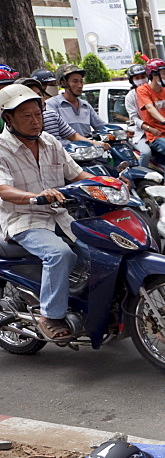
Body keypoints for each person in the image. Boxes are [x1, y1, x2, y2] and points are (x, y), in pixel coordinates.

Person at [0, 84, 96, 341]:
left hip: (61, 217)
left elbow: (76, 174)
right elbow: (4, 189)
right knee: (59, 253)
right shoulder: (2, 149)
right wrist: (34, 197)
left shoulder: (51, 142)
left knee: (99, 253)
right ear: (8, 119)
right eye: (26, 116)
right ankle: (50, 315)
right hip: (24, 220)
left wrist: (106, 184)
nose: (35, 121)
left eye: (38, 114)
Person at [136, 59, 165, 186]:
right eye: (164, 73)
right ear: (154, 75)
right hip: (156, 136)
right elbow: (150, 107)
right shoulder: (143, 90)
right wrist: (163, 120)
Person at [45, 65, 107, 146]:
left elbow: (101, 126)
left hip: (90, 151)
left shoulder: (85, 105)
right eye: (75, 81)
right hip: (67, 154)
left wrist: (121, 132)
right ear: (63, 83)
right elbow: (54, 138)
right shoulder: (52, 105)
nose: (80, 85)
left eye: (81, 81)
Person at [123, 64, 152, 167]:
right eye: (137, 78)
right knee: (146, 152)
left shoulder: (154, 91)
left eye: (143, 77)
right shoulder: (130, 97)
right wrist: (147, 127)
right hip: (140, 133)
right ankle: (142, 174)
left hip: (159, 130)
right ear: (132, 80)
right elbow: (134, 118)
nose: (141, 80)